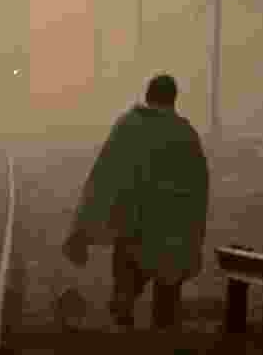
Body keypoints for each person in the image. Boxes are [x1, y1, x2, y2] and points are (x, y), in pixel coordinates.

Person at [62, 74, 210, 332]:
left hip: (133, 230)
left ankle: (125, 332)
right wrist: (194, 235)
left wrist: (82, 230)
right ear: (174, 99)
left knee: (125, 290)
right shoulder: (186, 135)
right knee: (167, 294)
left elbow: (104, 178)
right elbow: (199, 188)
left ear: (148, 95)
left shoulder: (129, 126)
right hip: (174, 234)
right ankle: (161, 342)